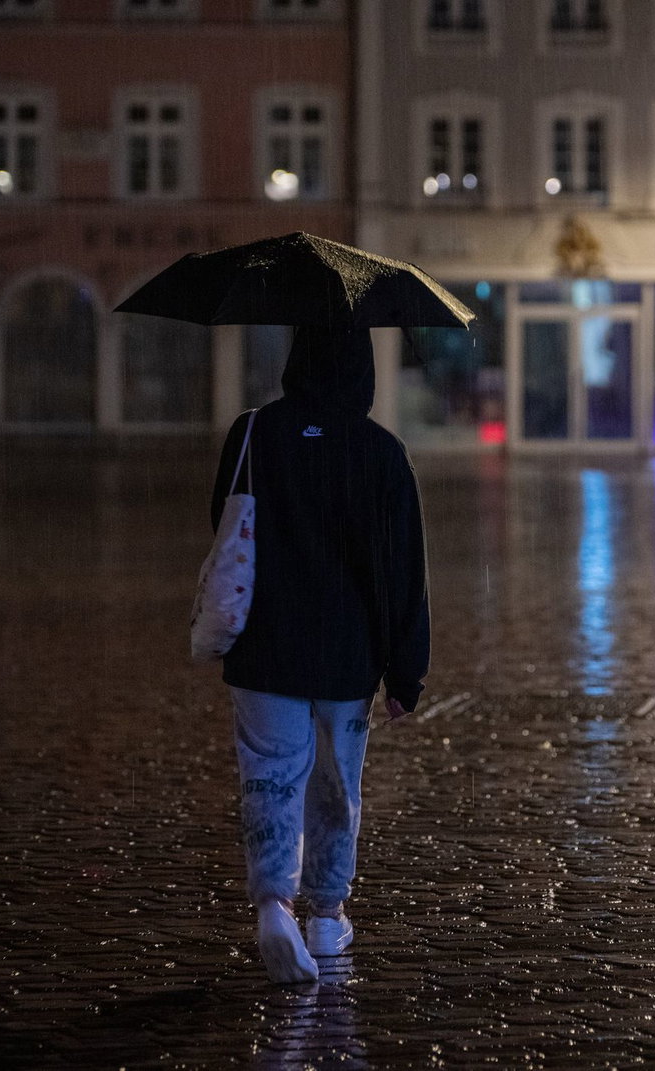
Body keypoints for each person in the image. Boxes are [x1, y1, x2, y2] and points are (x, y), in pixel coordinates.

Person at [210, 325, 430, 984]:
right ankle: (327, 916)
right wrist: (404, 672)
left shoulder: (252, 435)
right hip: (347, 657)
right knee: (335, 788)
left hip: (263, 647)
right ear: (364, 373)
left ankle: (274, 901)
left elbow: (223, 527)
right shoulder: (381, 453)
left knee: (271, 775)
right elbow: (402, 572)